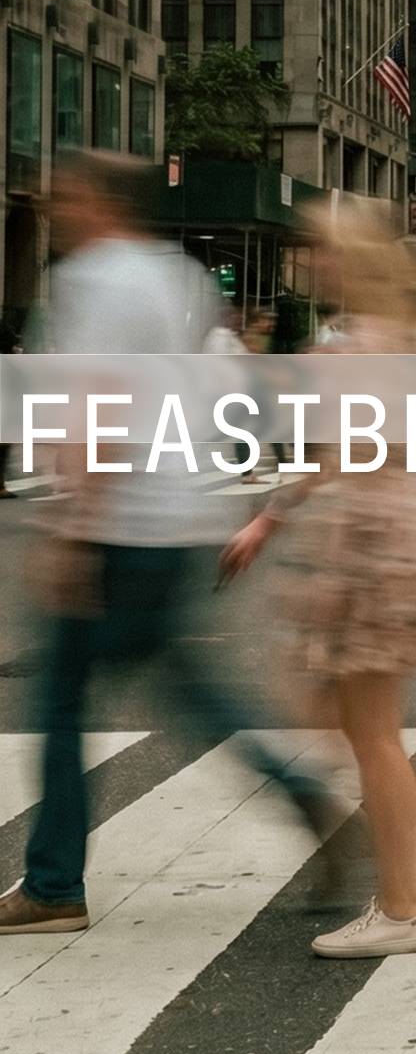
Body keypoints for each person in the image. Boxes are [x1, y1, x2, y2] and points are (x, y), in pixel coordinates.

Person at [0, 156, 341, 940]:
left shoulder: (90, 279)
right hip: (179, 515)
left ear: (99, 202)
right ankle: (301, 789)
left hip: (122, 523)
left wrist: (70, 535)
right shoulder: (178, 274)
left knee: (58, 701)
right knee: (187, 687)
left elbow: (101, 405)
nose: (59, 207)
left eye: (70, 193)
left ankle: (53, 883)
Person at [219, 202, 416, 958]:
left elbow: (353, 451)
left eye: (321, 251)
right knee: (355, 722)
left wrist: (275, 513)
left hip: (373, 545)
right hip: (392, 539)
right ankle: (408, 872)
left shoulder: (366, 348)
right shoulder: (399, 341)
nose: (310, 261)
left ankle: (400, 907)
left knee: (372, 733)